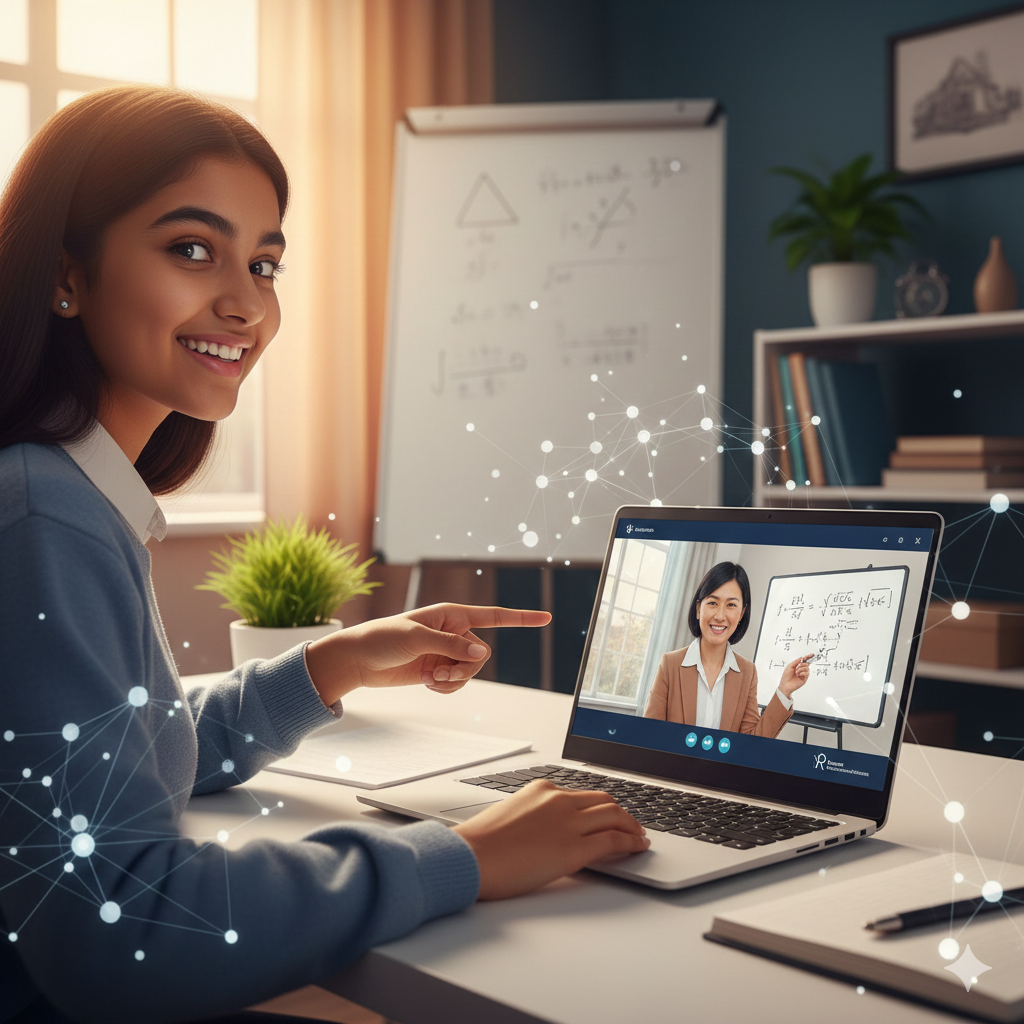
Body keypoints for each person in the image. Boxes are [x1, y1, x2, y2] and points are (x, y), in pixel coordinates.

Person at [0, 85, 649, 1024]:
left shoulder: (67, 494)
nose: (243, 303)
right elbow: (122, 930)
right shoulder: (42, 517)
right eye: (192, 248)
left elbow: (131, 757)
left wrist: (334, 663)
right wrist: (465, 856)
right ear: (68, 272)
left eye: (264, 264)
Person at [642, 562, 812, 737]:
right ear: (699, 609)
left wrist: (784, 690)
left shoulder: (747, 672)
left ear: (741, 614)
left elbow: (751, 742)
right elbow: (650, 734)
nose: (720, 616)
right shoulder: (670, 664)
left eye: (731, 605)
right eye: (713, 603)